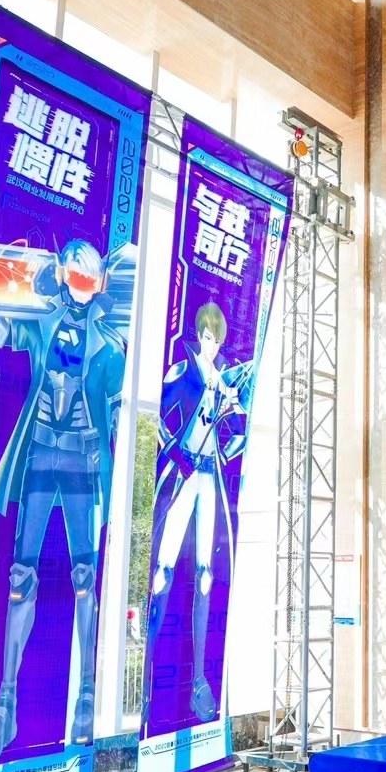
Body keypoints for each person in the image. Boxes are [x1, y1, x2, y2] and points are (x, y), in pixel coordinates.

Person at [0, 239, 133, 761]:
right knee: (21, 575)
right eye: (76, 277)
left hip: (82, 459)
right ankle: (6, 703)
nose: (82, 287)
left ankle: (86, 696)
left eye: (90, 280)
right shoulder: (41, 319)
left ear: (99, 283)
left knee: (84, 575)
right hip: (38, 451)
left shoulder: (109, 344)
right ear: (62, 274)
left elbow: (114, 398)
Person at [146, 302, 255, 723]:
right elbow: (155, 415)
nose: (212, 346)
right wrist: (176, 451)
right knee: (163, 572)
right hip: (184, 473)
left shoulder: (227, 381)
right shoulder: (185, 369)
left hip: (209, 477)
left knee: (206, 576)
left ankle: (198, 683)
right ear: (199, 335)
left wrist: (228, 442)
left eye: (218, 340)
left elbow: (241, 432)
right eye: (208, 338)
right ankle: (148, 679)